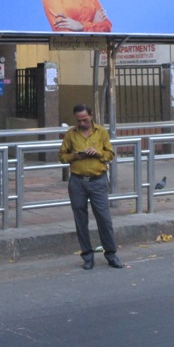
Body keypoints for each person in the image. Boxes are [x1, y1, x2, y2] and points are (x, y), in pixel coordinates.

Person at [58, 104, 124, 270]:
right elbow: (62, 157)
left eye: (85, 120)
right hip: (77, 182)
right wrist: (75, 155)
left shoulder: (101, 132)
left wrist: (98, 152)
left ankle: (111, 254)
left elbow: (110, 155)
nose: (82, 123)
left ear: (91, 116)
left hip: (98, 180)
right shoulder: (71, 135)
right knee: (81, 220)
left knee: (104, 218)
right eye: (79, 120)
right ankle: (87, 256)